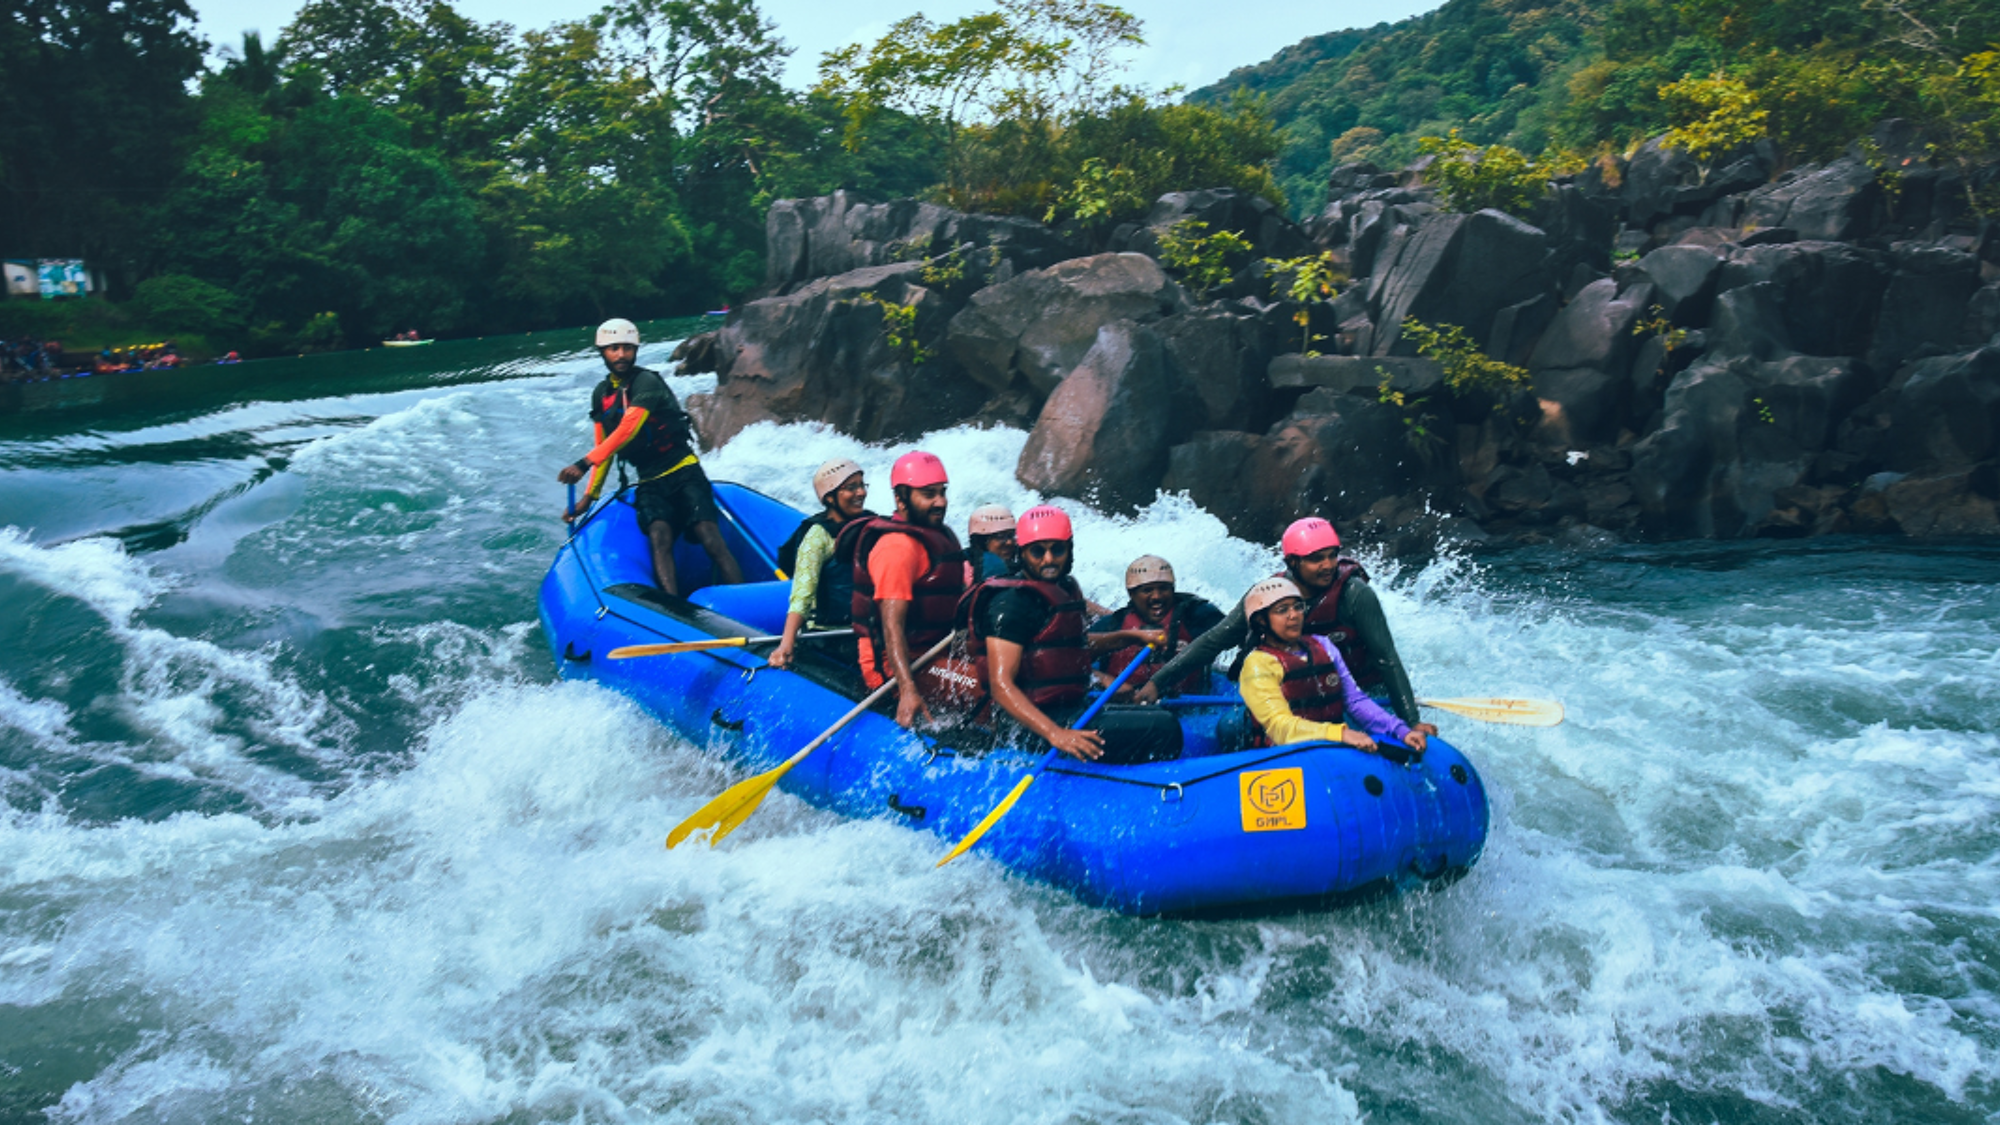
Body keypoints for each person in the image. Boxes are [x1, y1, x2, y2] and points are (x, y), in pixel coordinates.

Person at [1135, 517, 1436, 738]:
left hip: (1359, 689)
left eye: (1332, 555)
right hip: (1294, 689)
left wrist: (1410, 720)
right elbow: (1216, 640)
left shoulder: (1355, 595)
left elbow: (1387, 658)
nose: (1328, 565)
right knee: (1231, 728)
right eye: (1316, 559)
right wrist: (1158, 682)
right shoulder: (1268, 596)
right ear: (1293, 562)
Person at [962, 505, 1177, 762]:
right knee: (1165, 728)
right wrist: (1056, 734)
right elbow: (1001, 685)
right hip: (1028, 727)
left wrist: (1132, 637)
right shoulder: (1011, 603)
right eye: (1038, 551)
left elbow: (1073, 647)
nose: (1049, 560)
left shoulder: (1065, 587)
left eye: (1058, 549)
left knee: (1155, 712)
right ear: (1022, 552)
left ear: (1070, 549)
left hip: (1070, 710)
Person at [556, 317, 743, 596]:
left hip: (684, 472)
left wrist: (584, 463)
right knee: (659, 536)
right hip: (650, 481)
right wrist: (588, 498)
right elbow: (605, 447)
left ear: (636, 350)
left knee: (708, 534)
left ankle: (740, 598)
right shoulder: (601, 394)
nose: (621, 354)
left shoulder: (646, 382)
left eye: (627, 348)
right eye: (613, 348)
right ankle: (675, 609)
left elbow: (628, 429)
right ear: (602, 353)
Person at [838, 450, 973, 728]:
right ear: (900, 499)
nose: (940, 502)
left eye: (942, 492)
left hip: (934, 649)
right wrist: (908, 690)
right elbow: (891, 627)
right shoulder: (897, 548)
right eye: (928, 494)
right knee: (986, 687)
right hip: (897, 665)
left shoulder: (941, 536)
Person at [1234, 576, 1428, 759]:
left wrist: (1399, 730)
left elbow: (1354, 701)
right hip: (1284, 757)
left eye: (1298, 607)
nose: (1294, 615)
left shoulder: (1323, 645)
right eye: (1282, 610)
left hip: (1331, 749)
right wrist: (1340, 734)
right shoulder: (1257, 664)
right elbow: (1279, 728)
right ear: (1261, 620)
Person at [768, 457, 872, 669]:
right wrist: (786, 644)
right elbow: (802, 595)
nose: (860, 493)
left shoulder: (871, 525)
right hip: (826, 638)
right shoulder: (817, 536)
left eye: (862, 485)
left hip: (867, 632)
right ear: (831, 498)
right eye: (851, 488)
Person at [1091, 555, 1226, 699]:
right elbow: (1068, 662)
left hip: (1188, 706)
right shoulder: (1111, 625)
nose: (1157, 596)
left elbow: (1238, 633)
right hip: (1123, 708)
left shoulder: (1197, 615)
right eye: (1147, 590)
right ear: (1131, 594)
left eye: (1163, 589)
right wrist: (1105, 680)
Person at [966, 504, 1017, 580]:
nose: (1009, 542)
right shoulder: (966, 572)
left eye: (1011, 535)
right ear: (981, 542)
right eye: (1001, 537)